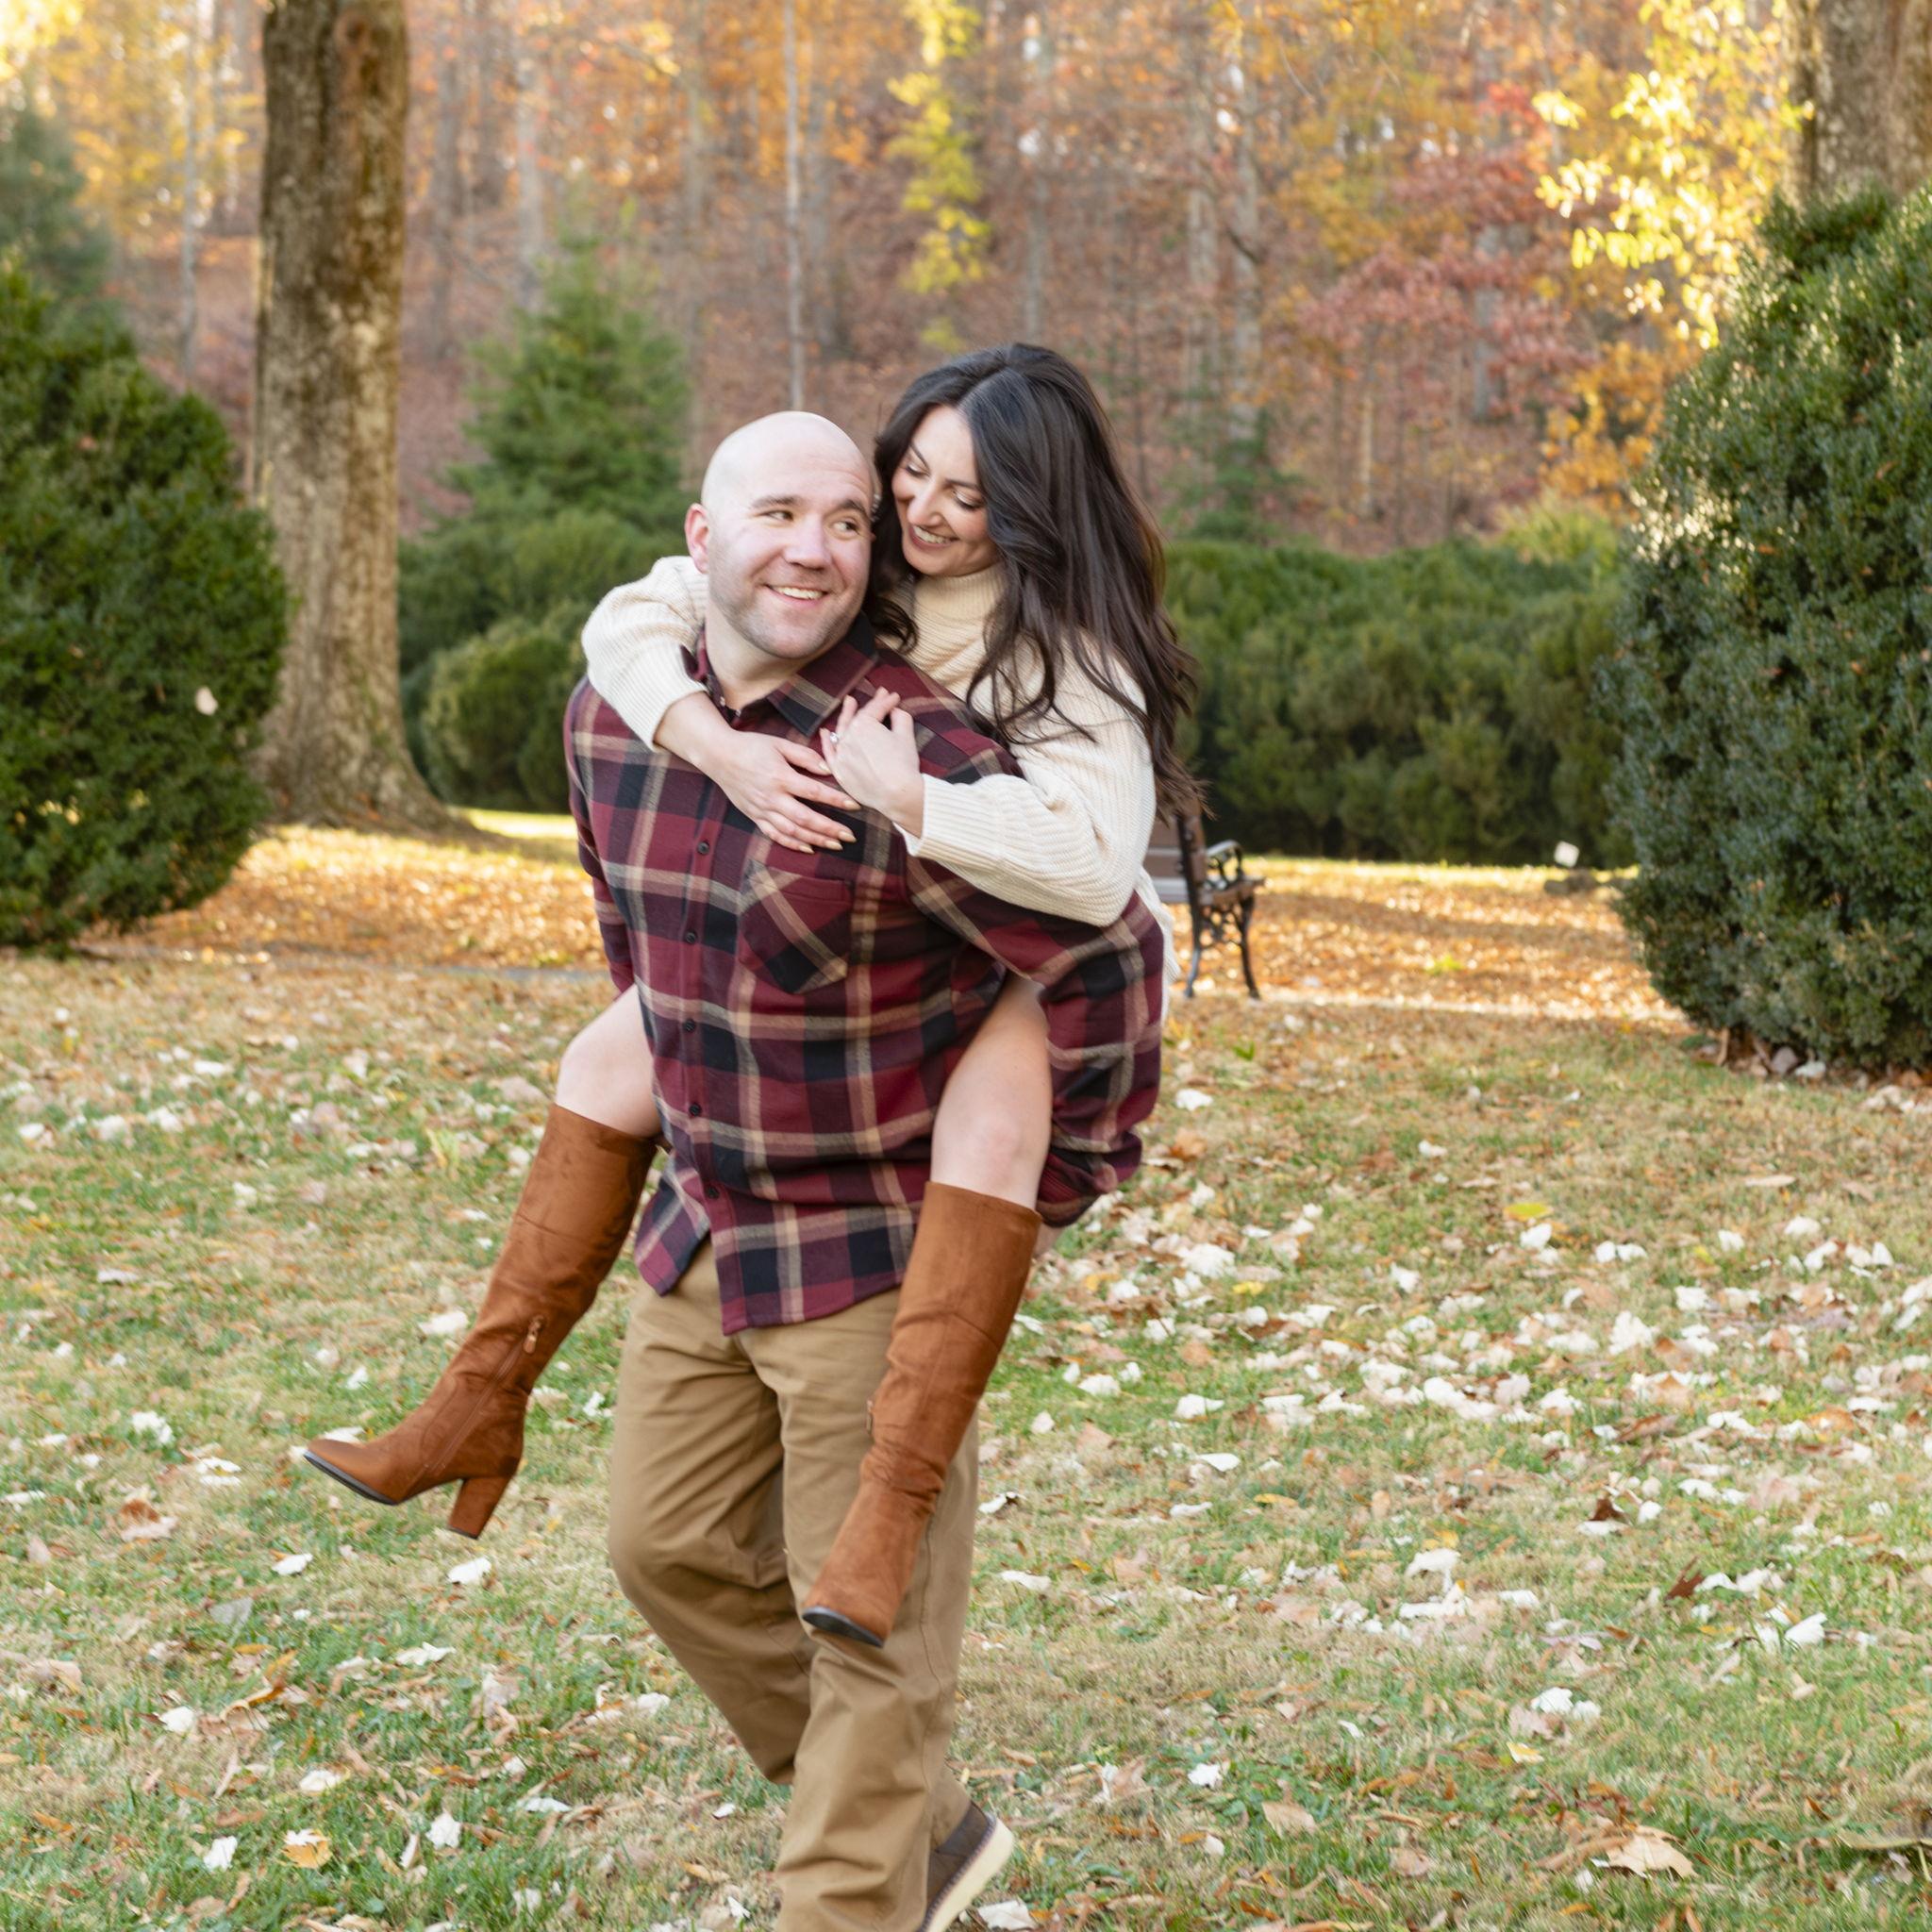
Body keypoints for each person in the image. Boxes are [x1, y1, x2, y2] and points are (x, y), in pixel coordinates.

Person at [305, 343, 1194, 1643]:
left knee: (993, 1128)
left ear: (1031, 509)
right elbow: (629, 620)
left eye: (970, 496)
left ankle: (889, 1506)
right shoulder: (860, 562)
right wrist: (711, 742)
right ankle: (474, 1402)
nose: (926, 512)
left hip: (1039, 942)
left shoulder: (1065, 654)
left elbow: (1096, 872)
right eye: (912, 476)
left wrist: (915, 797)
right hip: (888, 909)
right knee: (608, 1059)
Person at [574, 412, 1162, 1927]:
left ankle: (853, 1887)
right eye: (903, 491)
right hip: (715, 1203)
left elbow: (1108, 926)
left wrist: (1043, 1163)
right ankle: (922, 1825)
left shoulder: (979, 710)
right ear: (705, 532)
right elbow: (637, 922)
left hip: (882, 1226)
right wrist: (709, 744)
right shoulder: (636, 704)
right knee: (663, 1547)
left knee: (868, 1624)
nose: (838, 540)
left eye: (852, 519)